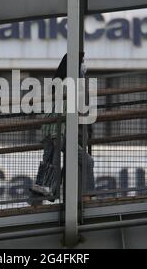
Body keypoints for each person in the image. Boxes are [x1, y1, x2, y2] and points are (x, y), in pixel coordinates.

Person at [29, 52, 95, 205]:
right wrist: (55, 135)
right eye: (82, 62)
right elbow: (58, 110)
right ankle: (86, 196)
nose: (84, 66)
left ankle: (37, 201)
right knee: (86, 161)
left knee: (49, 166)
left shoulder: (62, 82)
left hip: (54, 132)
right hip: (57, 133)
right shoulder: (66, 84)